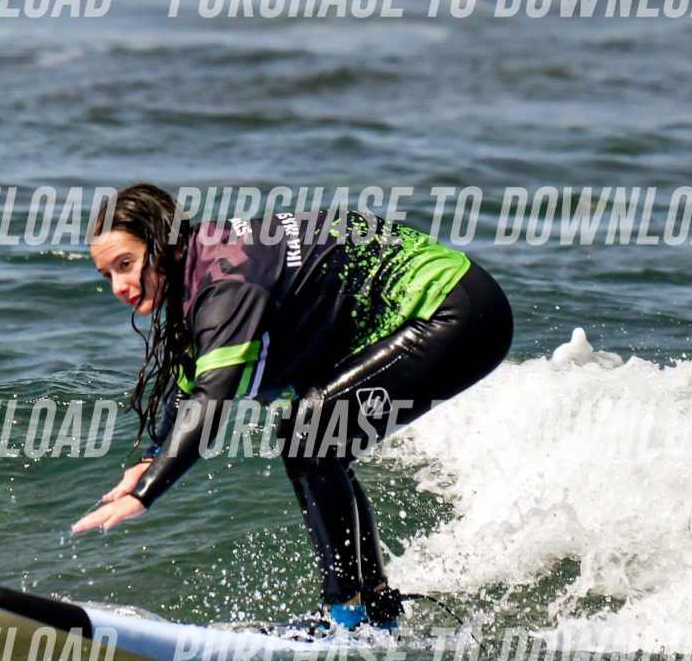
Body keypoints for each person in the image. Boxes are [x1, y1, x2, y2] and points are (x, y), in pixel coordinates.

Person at [72, 184, 513, 630]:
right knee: (318, 437)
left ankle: (344, 613)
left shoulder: (226, 286)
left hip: (456, 312)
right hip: (443, 304)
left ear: (162, 243)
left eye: (126, 264)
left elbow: (211, 400)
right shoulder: (201, 266)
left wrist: (146, 493)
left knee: (309, 434)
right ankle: (375, 607)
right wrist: (150, 459)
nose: (118, 287)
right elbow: (192, 384)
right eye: (107, 275)